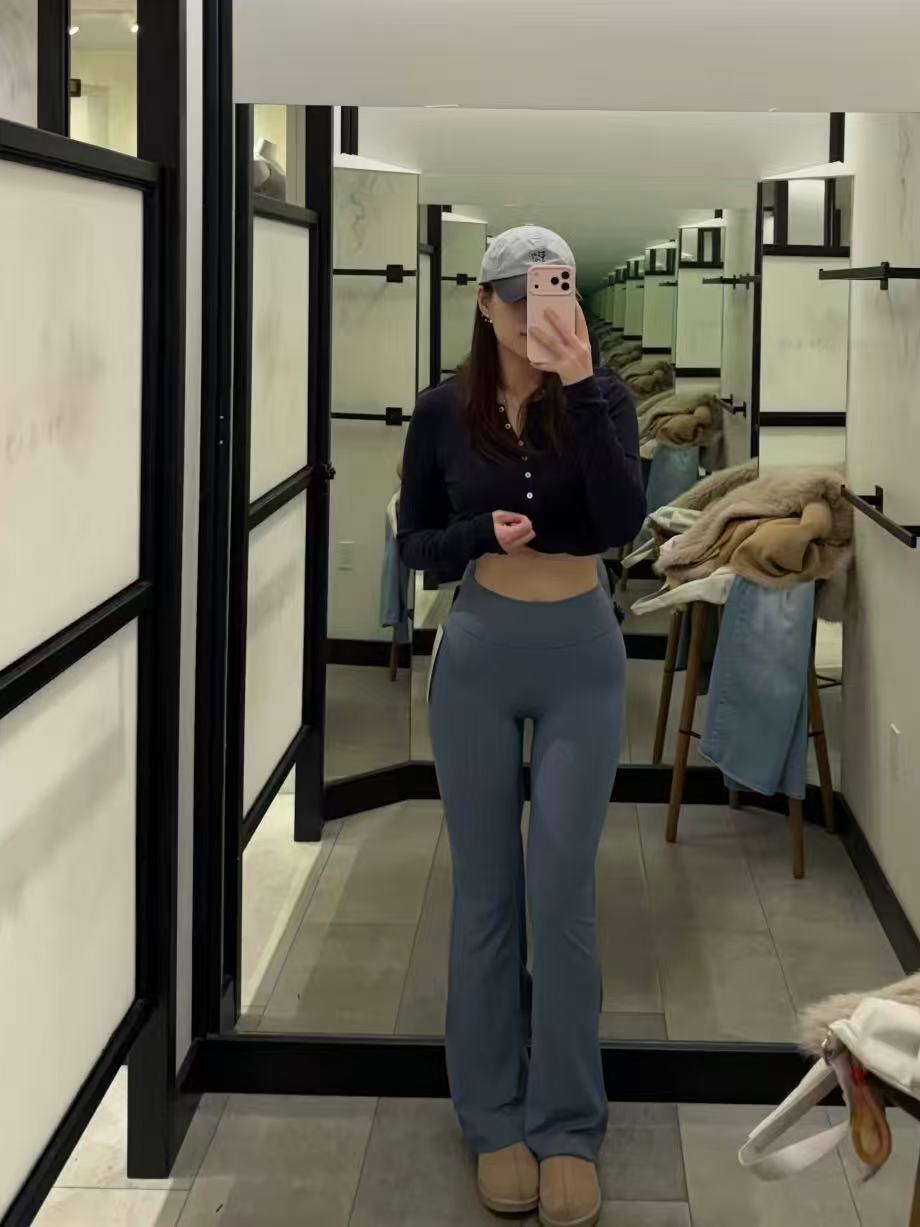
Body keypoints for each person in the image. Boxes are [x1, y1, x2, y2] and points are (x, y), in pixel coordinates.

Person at [397, 225, 645, 1227]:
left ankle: (567, 1123)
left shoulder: (604, 396)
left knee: (563, 893)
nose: (535, 313)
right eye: (517, 298)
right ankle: (492, 1113)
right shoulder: (440, 411)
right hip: (479, 653)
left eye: (553, 293)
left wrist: (579, 383)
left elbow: (621, 521)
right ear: (484, 303)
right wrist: (474, 536)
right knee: (487, 895)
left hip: (583, 653)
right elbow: (416, 543)